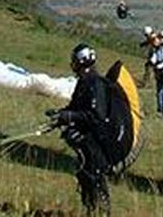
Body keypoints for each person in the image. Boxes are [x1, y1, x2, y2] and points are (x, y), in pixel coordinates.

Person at [47, 44, 113, 214]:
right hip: (86, 138)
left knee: (94, 176)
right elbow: (76, 106)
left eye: (75, 61)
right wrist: (60, 114)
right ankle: (91, 209)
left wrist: (70, 117)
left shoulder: (95, 83)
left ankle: (101, 211)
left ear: (82, 62)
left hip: (96, 139)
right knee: (85, 175)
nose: (72, 64)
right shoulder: (84, 81)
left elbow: (96, 116)